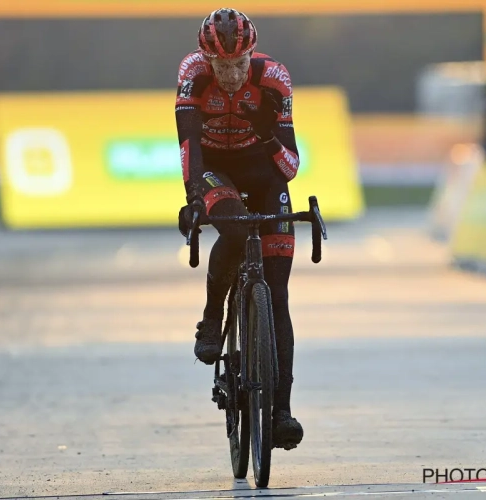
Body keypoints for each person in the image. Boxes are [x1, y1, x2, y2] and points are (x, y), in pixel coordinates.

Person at [175, 8, 303, 450]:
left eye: (239, 64)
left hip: (261, 171)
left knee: (279, 294)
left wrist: (269, 132)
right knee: (232, 228)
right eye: (221, 66)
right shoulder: (193, 74)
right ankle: (212, 319)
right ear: (206, 60)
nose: (230, 75)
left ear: (252, 54)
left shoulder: (275, 78)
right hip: (216, 171)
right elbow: (189, 144)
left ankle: (282, 412)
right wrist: (195, 198)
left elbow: (290, 167)